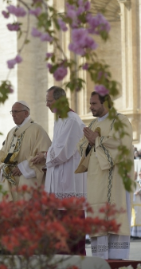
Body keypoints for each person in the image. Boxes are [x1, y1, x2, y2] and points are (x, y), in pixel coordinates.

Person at [76, 91, 134, 260]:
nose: (90, 107)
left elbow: (123, 145)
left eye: (94, 104)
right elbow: (81, 147)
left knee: (114, 221)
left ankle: (116, 262)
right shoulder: (93, 123)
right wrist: (90, 143)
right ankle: (100, 262)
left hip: (114, 181)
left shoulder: (121, 121)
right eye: (90, 103)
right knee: (98, 224)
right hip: (95, 183)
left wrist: (98, 140)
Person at [32, 86, 87, 255]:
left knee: (70, 229)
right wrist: (47, 154)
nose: (47, 104)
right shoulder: (59, 120)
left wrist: (45, 156)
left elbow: (63, 152)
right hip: (59, 180)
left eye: (49, 100)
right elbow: (56, 148)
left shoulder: (72, 120)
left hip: (69, 181)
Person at [0, 100, 51, 201]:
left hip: (28, 176)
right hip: (11, 177)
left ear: (26, 113)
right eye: (12, 112)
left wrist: (23, 167)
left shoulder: (37, 130)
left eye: (16, 112)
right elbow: (3, 155)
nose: (13, 115)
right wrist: (5, 167)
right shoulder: (11, 132)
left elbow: (45, 155)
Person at [131, 170, 141, 239]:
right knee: (133, 218)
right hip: (133, 203)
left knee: (138, 217)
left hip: (138, 202)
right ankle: (133, 233)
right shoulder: (130, 183)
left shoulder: (137, 184)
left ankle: (138, 234)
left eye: (136, 175)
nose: (136, 176)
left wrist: (138, 192)